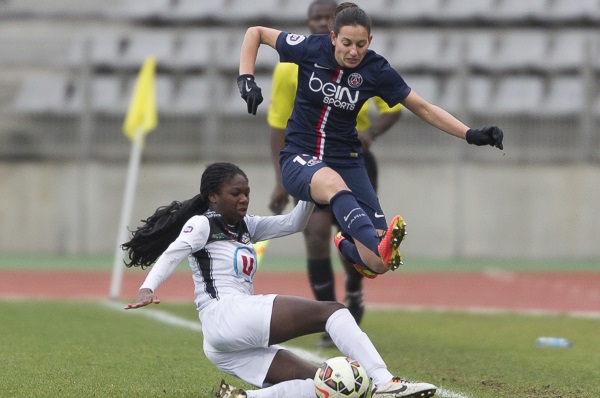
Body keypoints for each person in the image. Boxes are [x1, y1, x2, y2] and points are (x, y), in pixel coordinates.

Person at [121, 162, 437, 398]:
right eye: (236, 193)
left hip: (224, 339)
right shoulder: (203, 224)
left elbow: (295, 222)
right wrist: (148, 287)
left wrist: (312, 181)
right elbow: (175, 251)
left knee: (323, 381)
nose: (244, 199)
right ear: (213, 197)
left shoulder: (246, 226)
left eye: (246, 193)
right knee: (332, 311)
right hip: (227, 315)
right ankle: (384, 381)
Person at [237, 2, 503, 280]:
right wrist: (246, 79)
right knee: (335, 186)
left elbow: (423, 108)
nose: (354, 51)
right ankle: (372, 243)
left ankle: (349, 246)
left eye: (361, 44)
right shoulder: (310, 48)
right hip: (299, 157)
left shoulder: (376, 70)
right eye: (347, 43)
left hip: (347, 161)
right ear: (333, 37)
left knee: (379, 263)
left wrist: (471, 134)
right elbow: (256, 33)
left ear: (370, 41)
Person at [267, 0, 402, 349]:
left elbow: (395, 108)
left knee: (354, 236)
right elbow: (278, 124)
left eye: (327, 16)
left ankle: (355, 290)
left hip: (352, 159)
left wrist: (370, 133)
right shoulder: (291, 65)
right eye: (316, 18)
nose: (320, 22)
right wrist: (281, 179)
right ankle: (329, 314)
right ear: (315, 25)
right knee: (313, 234)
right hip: (309, 161)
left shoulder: (366, 68)